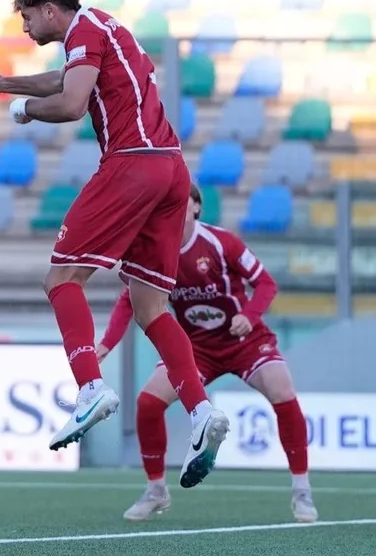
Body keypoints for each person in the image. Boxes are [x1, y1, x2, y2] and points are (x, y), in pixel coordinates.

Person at [0, 0, 228, 488]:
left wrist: (24, 110)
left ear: (50, 10)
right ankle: (202, 412)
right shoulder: (102, 29)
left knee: (61, 280)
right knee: (150, 307)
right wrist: (7, 85)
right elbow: (66, 81)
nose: (25, 28)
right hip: (171, 171)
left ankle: (90, 387)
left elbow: (72, 104)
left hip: (131, 164)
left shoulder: (84, 30)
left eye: (27, 17)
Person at [97, 184, 317, 523]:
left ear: (196, 208)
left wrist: (249, 316)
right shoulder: (153, 252)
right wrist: (106, 345)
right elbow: (129, 300)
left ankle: (302, 490)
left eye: (180, 204)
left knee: (282, 390)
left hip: (244, 341)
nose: (170, 210)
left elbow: (266, 284)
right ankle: (155, 490)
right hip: (195, 348)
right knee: (148, 402)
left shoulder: (221, 242)